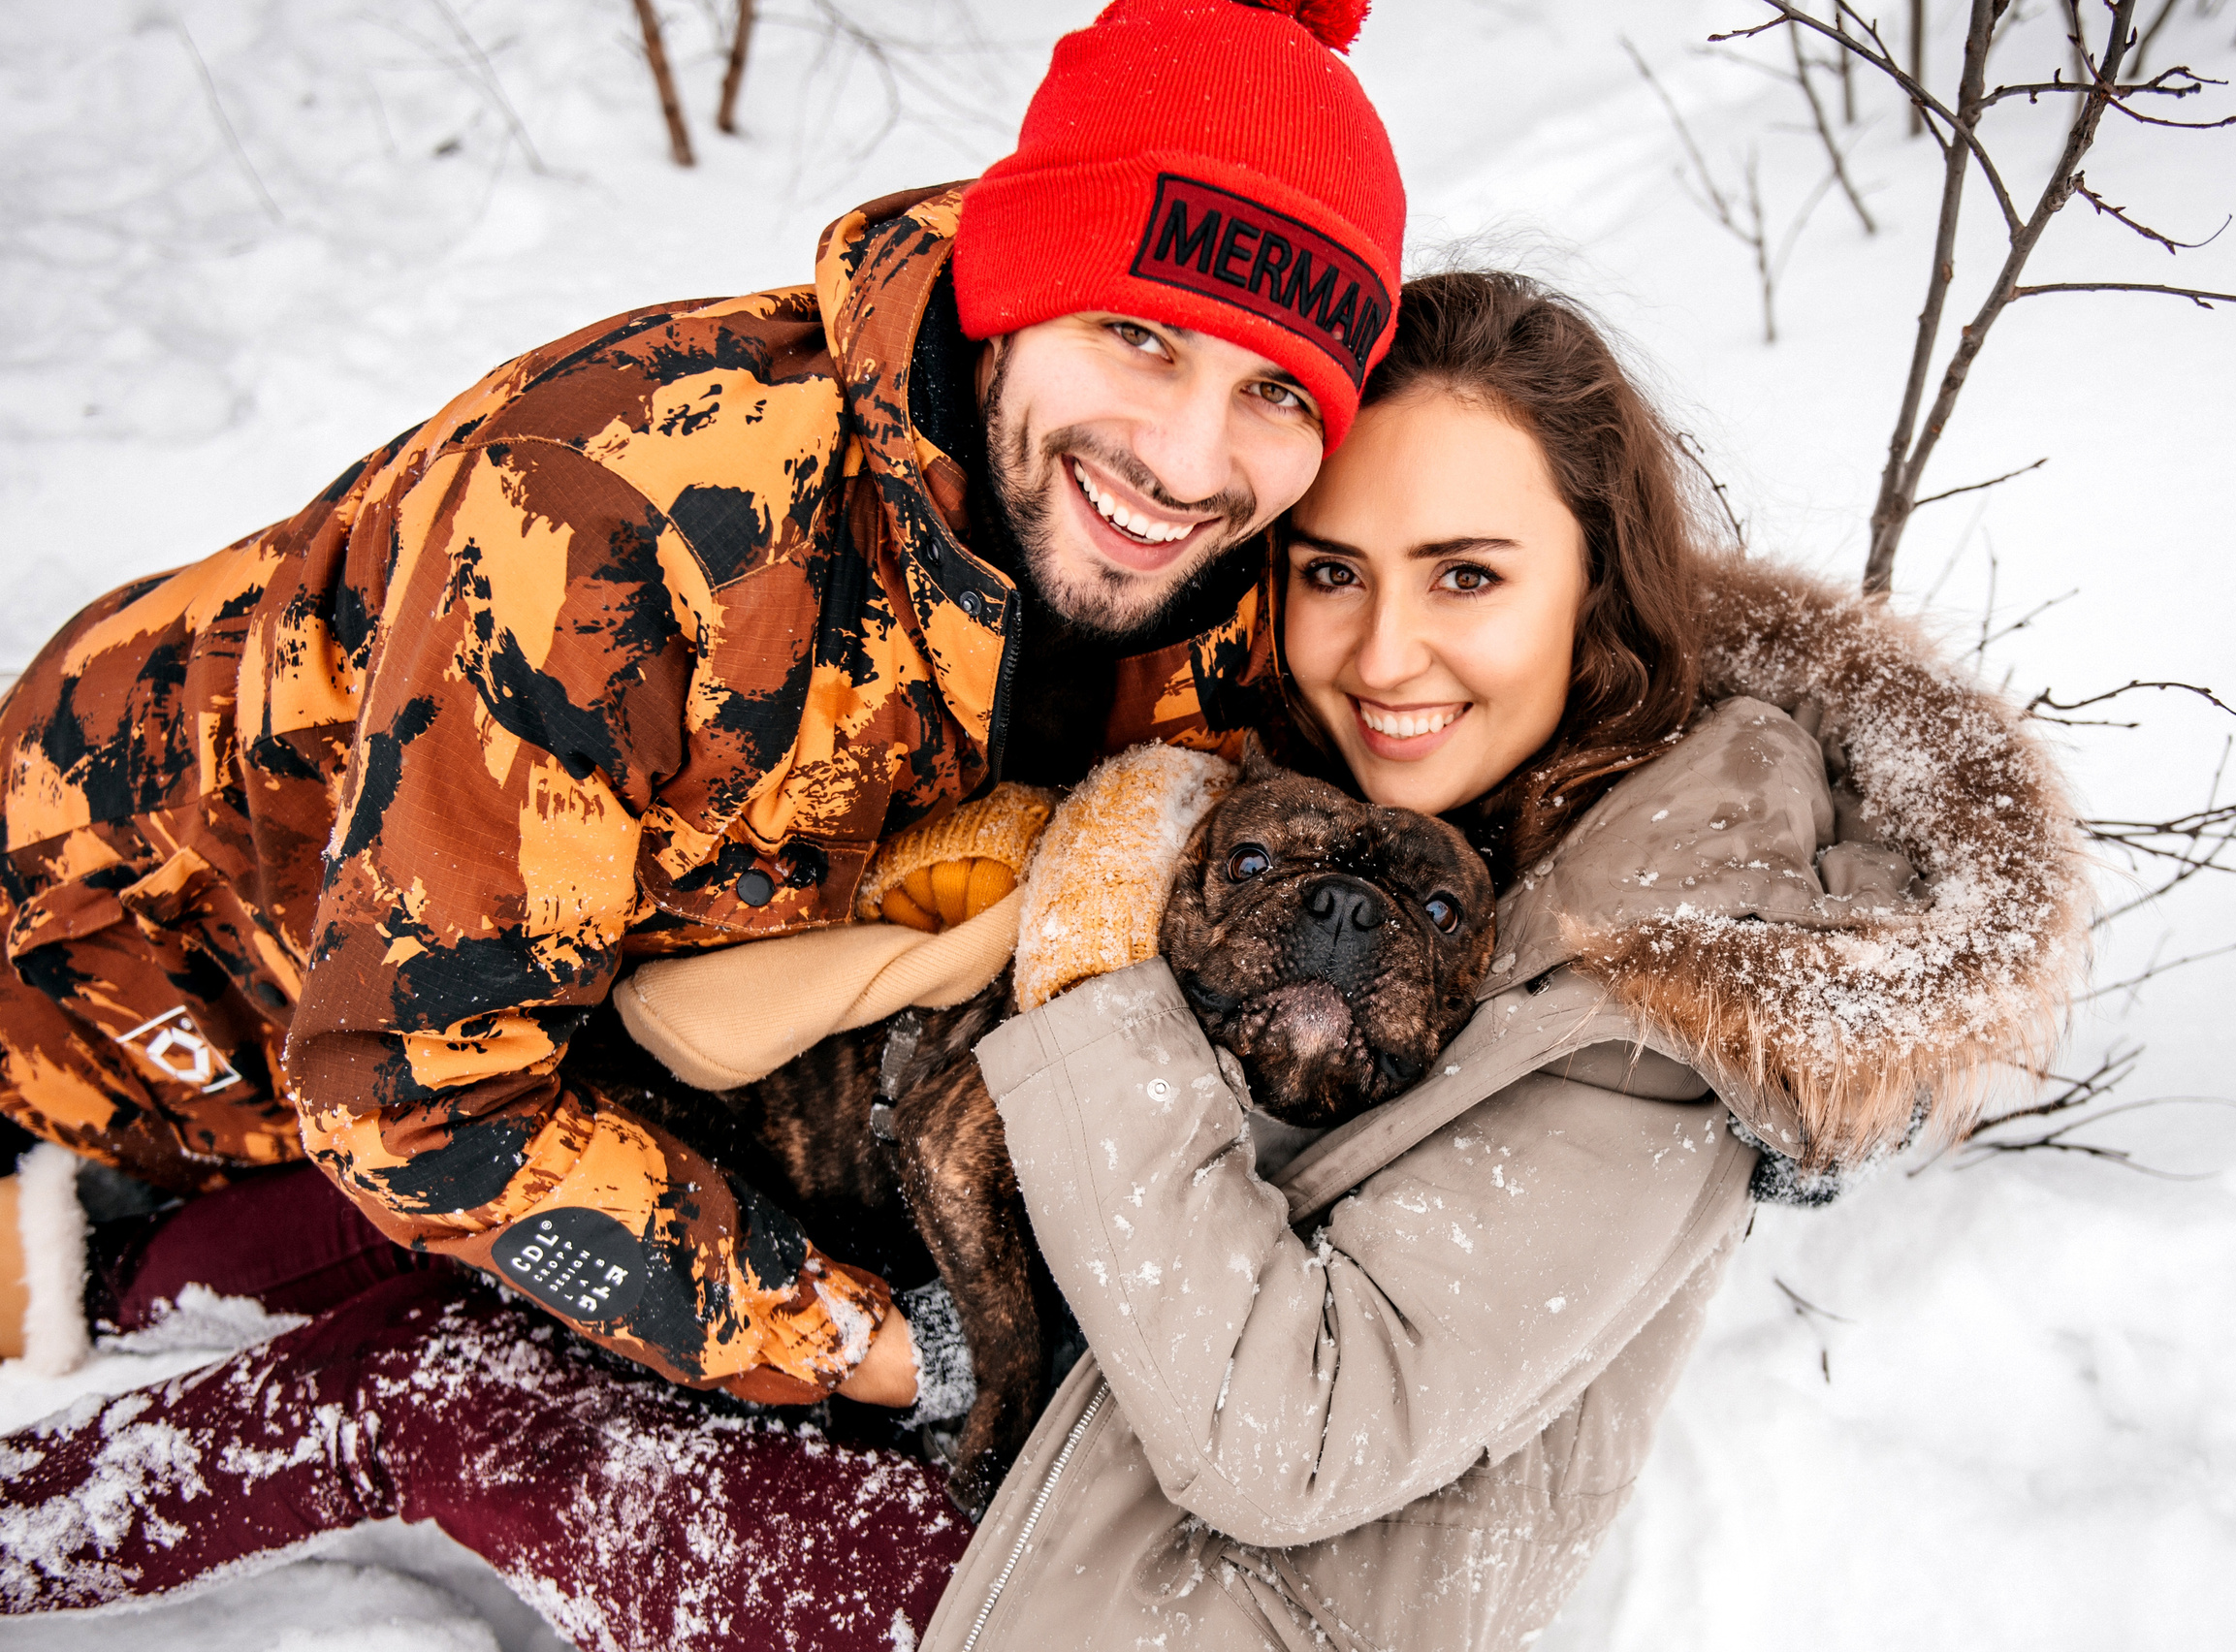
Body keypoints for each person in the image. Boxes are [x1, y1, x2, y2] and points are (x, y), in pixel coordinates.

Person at [1, 270, 2089, 1649]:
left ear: (1599, 585)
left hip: (1094, 1597)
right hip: (1019, 1407)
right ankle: (122, 1268)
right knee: (410, 1230)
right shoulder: (1439, 778)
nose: (1382, 653)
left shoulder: (1663, 1016)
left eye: (1468, 574)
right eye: (1334, 573)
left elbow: (1279, 1438)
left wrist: (1089, 990)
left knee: (436, 1389)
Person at [0, 0, 1401, 1414]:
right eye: (1139, 337)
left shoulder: (1229, 564)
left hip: (559, 1012)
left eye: (1278, 390)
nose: (1184, 459)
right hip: (133, 998)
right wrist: (872, 1346)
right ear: (1009, 292)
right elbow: (415, 1098)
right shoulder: (613, 518)